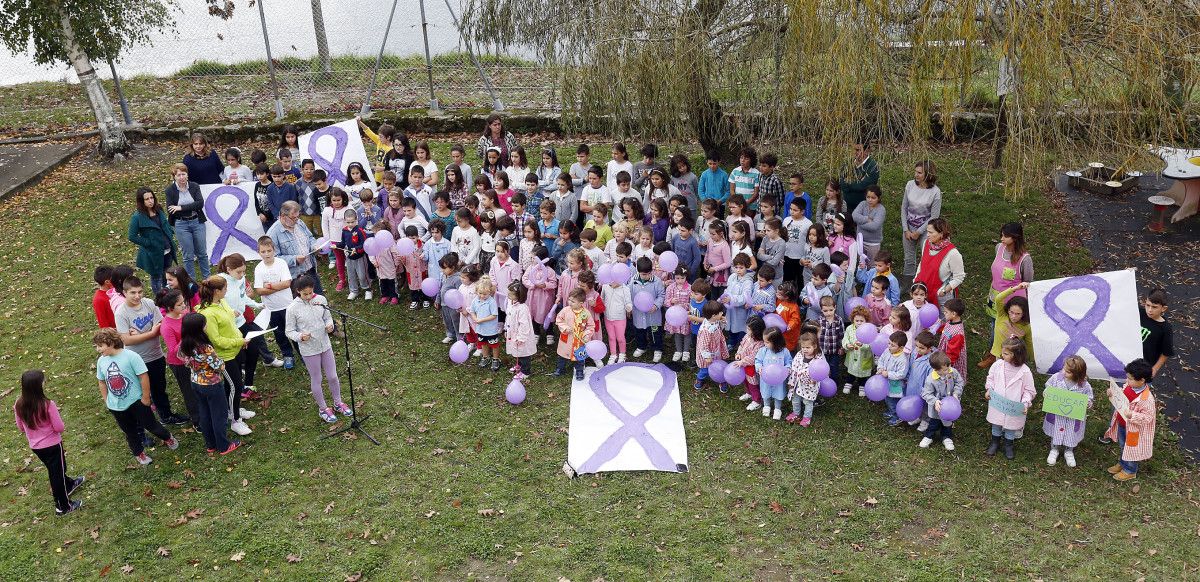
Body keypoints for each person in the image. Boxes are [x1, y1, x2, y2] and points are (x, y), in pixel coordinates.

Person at [93, 328, 179, 466]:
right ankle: (139, 453)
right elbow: (101, 381)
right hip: (117, 406)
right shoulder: (101, 361)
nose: (98, 349)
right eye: (96, 346)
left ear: (110, 342)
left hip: (137, 402)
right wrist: (107, 400)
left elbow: (143, 376)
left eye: (100, 346)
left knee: (152, 426)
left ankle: (167, 437)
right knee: (130, 432)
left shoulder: (131, 356)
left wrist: (145, 397)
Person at [114, 275, 186, 426]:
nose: (137, 296)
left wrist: (140, 335)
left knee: (160, 388)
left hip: (156, 355)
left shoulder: (148, 304)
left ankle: (166, 416)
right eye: (133, 292)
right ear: (124, 293)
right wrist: (150, 333)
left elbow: (162, 324)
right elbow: (126, 340)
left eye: (140, 291)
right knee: (142, 392)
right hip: (136, 359)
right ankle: (146, 422)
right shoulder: (121, 313)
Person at [14, 369, 84, 515]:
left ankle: (69, 484)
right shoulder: (47, 405)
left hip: (36, 447)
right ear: (38, 386)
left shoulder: (18, 404)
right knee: (56, 474)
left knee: (57, 469)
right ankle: (63, 506)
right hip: (52, 445)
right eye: (43, 381)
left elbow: (20, 427)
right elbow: (59, 427)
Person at [285, 275, 352, 423]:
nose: (308, 296)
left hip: (325, 344)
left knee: (333, 376)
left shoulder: (320, 300)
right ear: (298, 291)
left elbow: (327, 317)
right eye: (305, 294)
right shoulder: (292, 309)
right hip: (309, 349)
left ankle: (338, 402)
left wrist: (330, 325)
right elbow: (289, 331)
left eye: (310, 292)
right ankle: (323, 408)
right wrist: (300, 336)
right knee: (317, 378)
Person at [195, 276, 254, 436]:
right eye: (225, 289)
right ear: (216, 291)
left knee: (234, 386)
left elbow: (228, 318)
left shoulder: (222, 302)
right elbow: (216, 340)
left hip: (235, 349)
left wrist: (232, 313)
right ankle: (235, 420)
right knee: (235, 385)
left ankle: (234, 409)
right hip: (224, 356)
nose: (227, 291)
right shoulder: (208, 314)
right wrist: (239, 341)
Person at [176, 313, 240, 454]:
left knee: (204, 413)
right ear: (199, 329)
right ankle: (223, 446)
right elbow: (219, 366)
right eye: (204, 324)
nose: (206, 326)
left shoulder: (184, 345)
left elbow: (180, 357)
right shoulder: (204, 348)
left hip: (196, 382)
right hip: (212, 385)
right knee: (219, 415)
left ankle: (210, 444)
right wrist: (221, 362)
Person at [1104, 359, 1157, 482]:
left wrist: (1132, 415)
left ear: (1142, 380)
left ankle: (1130, 470)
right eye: (1127, 378)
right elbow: (1121, 396)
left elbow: (1148, 418)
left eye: (1131, 378)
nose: (1127, 381)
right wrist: (1112, 394)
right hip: (1123, 424)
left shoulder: (1147, 399)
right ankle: (1123, 463)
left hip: (1134, 430)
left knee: (1131, 448)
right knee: (1123, 446)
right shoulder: (1129, 386)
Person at [984, 337, 1036, 460]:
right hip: (998, 402)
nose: (1002, 355)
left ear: (1016, 355)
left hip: (1014, 405)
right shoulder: (997, 365)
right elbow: (990, 378)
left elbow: (1029, 390)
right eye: (1003, 352)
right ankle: (995, 442)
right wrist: (989, 389)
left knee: (1011, 425)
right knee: (996, 422)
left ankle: (1008, 444)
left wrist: (1025, 403)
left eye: (1006, 353)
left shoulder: (1025, 371)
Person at [253, 237, 296, 369]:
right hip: (271, 309)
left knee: (294, 330)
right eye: (263, 251)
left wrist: (270, 286)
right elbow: (259, 291)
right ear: (259, 252)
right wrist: (278, 286)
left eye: (269, 250)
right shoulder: (259, 268)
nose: (266, 254)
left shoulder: (281, 263)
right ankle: (288, 355)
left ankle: (303, 353)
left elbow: (287, 283)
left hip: (287, 305)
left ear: (274, 250)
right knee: (279, 334)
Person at [1042, 355, 1093, 467]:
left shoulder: (1084, 385)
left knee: (1071, 433)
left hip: (1073, 417)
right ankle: (1054, 449)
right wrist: (1047, 392)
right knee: (1056, 430)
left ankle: (1069, 451)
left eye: (1068, 372)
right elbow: (1048, 385)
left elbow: (1089, 397)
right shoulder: (1056, 378)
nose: (1064, 372)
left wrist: (1087, 403)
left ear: (1077, 374)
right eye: (1064, 369)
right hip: (1058, 413)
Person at [268, 200, 324, 296]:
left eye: (298, 217)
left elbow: (310, 237)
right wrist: (294, 259)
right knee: (301, 305)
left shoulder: (299, 223)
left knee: (319, 298)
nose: (297, 220)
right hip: (294, 277)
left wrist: (314, 246)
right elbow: (273, 259)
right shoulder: (273, 233)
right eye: (294, 218)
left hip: (310, 269)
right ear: (283, 216)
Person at [128, 187, 178, 294]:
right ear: (141, 201)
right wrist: (148, 243)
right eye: (147, 199)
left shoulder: (159, 210)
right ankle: (159, 298)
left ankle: (168, 296)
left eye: (152, 198)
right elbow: (132, 236)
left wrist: (170, 232)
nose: (150, 201)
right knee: (156, 277)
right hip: (153, 253)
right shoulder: (137, 217)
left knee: (167, 274)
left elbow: (165, 224)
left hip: (167, 249)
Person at [164, 164, 210, 279]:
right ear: (174, 177)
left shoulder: (194, 186)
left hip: (197, 222)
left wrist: (181, 207)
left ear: (187, 175)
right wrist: (190, 207)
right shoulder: (170, 190)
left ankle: (207, 278)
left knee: (202, 253)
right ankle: (190, 281)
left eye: (183, 174)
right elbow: (171, 209)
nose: (181, 177)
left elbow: (200, 203)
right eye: (178, 175)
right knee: (188, 255)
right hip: (181, 224)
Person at [986, 222, 1033, 324]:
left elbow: (1028, 282)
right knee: (994, 328)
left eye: (1005, 236)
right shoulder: (998, 248)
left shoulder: (1025, 259)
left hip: (1012, 304)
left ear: (1015, 238)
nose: (1002, 239)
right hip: (995, 299)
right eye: (1001, 235)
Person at [900, 160, 942, 278]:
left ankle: (923, 282)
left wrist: (919, 232)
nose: (916, 175)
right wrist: (905, 229)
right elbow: (904, 207)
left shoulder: (935, 192)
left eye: (919, 173)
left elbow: (934, 217)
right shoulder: (910, 185)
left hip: (926, 230)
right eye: (915, 172)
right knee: (908, 258)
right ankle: (908, 282)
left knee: (926, 258)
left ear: (928, 174)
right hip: (909, 227)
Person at [912, 218, 965, 308]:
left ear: (941, 233)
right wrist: (915, 279)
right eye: (927, 232)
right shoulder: (926, 243)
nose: (927, 235)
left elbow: (959, 277)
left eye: (931, 232)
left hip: (941, 297)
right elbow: (922, 264)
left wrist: (943, 291)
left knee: (942, 321)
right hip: (923, 292)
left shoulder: (952, 253)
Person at [980, 282, 1033, 369]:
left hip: (1013, 358)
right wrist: (1015, 288)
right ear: (1007, 310)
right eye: (1011, 312)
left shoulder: (1026, 327)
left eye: (1018, 314)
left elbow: (1029, 343)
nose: (1013, 316)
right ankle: (990, 359)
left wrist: (1030, 358)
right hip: (998, 354)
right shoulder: (1002, 315)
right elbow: (998, 298)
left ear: (1024, 314)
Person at [919, 351, 964, 451]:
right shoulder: (931, 379)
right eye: (944, 370)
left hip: (950, 407)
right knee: (934, 422)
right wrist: (935, 401)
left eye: (948, 367)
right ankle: (929, 436)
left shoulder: (952, 372)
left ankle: (946, 437)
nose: (947, 371)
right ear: (936, 370)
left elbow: (959, 382)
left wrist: (956, 393)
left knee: (948, 423)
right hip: (937, 408)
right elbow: (926, 393)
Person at [552, 288, 594, 380]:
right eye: (569, 300)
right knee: (562, 355)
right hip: (567, 338)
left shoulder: (586, 313)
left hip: (579, 340)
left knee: (579, 356)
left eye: (573, 301)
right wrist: (564, 327)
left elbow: (591, 326)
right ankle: (560, 368)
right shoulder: (565, 310)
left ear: (581, 303)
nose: (570, 302)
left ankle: (579, 370)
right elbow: (559, 320)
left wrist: (587, 335)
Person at [630, 256, 666, 362]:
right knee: (639, 330)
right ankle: (642, 346)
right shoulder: (634, 280)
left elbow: (661, 295)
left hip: (653, 313)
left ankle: (657, 349)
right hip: (638, 312)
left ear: (651, 271)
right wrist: (630, 306)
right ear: (638, 272)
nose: (645, 276)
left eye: (647, 274)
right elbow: (630, 293)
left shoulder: (657, 281)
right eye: (643, 274)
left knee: (655, 332)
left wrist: (656, 305)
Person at [755, 328, 793, 421]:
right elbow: (758, 360)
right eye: (764, 341)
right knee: (765, 392)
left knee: (779, 393)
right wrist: (759, 367)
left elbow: (789, 362)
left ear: (776, 342)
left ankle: (777, 408)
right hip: (765, 378)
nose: (765, 344)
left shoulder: (785, 352)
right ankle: (766, 406)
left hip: (779, 379)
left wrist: (788, 369)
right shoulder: (763, 350)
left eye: (767, 342)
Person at [787, 331, 823, 426]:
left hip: (810, 385)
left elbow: (820, 372)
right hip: (797, 383)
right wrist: (791, 381)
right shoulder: (799, 355)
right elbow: (794, 368)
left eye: (808, 347)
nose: (805, 350)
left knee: (808, 401)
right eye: (803, 347)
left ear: (814, 346)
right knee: (795, 399)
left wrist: (814, 379)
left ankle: (807, 417)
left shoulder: (818, 359)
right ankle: (796, 413)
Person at [694, 300, 730, 393]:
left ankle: (721, 380)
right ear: (714, 315)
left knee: (719, 366)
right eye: (720, 312)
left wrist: (722, 322)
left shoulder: (714, 320)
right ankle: (699, 379)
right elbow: (703, 345)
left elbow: (719, 328)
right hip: (707, 354)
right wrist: (707, 356)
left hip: (716, 348)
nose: (722, 313)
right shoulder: (706, 330)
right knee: (705, 370)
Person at [732, 316, 767, 410]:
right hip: (743, 364)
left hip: (751, 368)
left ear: (756, 331)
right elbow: (741, 345)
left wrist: (742, 362)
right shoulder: (747, 336)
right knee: (745, 381)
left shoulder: (760, 344)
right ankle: (748, 393)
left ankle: (757, 401)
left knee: (753, 384)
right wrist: (738, 353)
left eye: (749, 329)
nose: (746, 330)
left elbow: (753, 357)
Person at [1140, 289, 1174, 379]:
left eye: (1154, 307)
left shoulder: (1165, 328)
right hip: (1127, 359)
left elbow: (1166, 352)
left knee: (1138, 392)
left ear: (1163, 308)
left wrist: (1154, 369)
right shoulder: (1140, 313)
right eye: (1147, 305)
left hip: (1143, 368)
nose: (1149, 310)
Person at [877, 331, 910, 426]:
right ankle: (891, 411)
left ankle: (897, 416)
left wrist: (888, 374)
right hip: (886, 381)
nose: (889, 346)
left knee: (893, 400)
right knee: (887, 398)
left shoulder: (902, 359)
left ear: (901, 348)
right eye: (889, 343)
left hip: (896, 385)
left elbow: (901, 374)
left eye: (893, 345)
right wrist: (880, 368)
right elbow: (881, 359)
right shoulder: (887, 351)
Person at [470, 276, 502, 371]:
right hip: (481, 328)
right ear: (477, 291)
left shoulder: (491, 302)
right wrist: (475, 318)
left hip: (491, 329)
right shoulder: (475, 300)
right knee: (483, 343)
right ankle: (485, 357)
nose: (482, 296)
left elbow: (494, 315)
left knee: (494, 344)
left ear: (490, 292)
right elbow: (472, 311)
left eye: (485, 294)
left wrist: (481, 320)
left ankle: (495, 359)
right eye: (480, 293)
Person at [600, 270, 632, 365]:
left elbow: (628, 302)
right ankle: (613, 354)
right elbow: (602, 298)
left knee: (620, 337)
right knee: (611, 337)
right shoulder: (605, 286)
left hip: (620, 318)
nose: (611, 283)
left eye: (613, 280)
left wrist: (629, 307)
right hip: (608, 317)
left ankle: (622, 354)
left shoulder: (625, 289)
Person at [504, 281, 536, 375]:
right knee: (517, 351)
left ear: (519, 295)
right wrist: (506, 328)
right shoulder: (511, 303)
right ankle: (519, 365)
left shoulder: (522, 308)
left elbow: (524, 325)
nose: (508, 295)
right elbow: (508, 316)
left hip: (521, 336)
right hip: (513, 332)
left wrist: (521, 338)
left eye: (510, 294)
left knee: (523, 354)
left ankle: (525, 372)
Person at [842, 306, 874, 397]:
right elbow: (845, 339)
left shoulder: (869, 330)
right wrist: (847, 345)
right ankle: (849, 382)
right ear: (853, 320)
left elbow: (872, 344)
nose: (859, 323)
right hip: (852, 355)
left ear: (866, 320)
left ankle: (862, 385)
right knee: (851, 370)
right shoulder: (849, 329)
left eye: (861, 321)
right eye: (857, 321)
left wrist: (863, 345)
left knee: (863, 372)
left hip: (864, 356)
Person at [839, 138, 879, 211]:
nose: (854, 152)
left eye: (858, 150)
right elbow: (841, 181)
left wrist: (847, 182)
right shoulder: (848, 163)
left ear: (867, 151)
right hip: (845, 207)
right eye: (853, 149)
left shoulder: (873, 167)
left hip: (863, 209)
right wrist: (854, 183)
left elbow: (862, 186)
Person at [663, 266, 693, 362]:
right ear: (674, 277)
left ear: (686, 277)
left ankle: (686, 351)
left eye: (682, 278)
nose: (680, 280)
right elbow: (665, 302)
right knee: (677, 332)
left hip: (685, 315)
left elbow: (692, 302)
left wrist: (685, 306)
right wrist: (671, 301)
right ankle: (678, 350)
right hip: (675, 316)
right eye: (677, 278)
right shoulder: (670, 288)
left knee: (687, 333)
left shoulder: (690, 288)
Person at [935, 298, 968, 384]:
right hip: (945, 353)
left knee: (949, 379)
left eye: (946, 312)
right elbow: (946, 328)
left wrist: (944, 366)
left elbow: (953, 354)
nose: (944, 313)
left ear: (953, 314)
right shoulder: (950, 321)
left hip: (949, 361)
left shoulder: (958, 334)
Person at [852, 184, 886, 261]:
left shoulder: (881, 209)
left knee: (872, 266)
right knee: (861, 265)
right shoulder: (862, 204)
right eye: (868, 197)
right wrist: (867, 218)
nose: (870, 200)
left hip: (873, 244)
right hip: (860, 241)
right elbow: (854, 216)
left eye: (873, 198)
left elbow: (874, 226)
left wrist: (859, 224)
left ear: (878, 198)